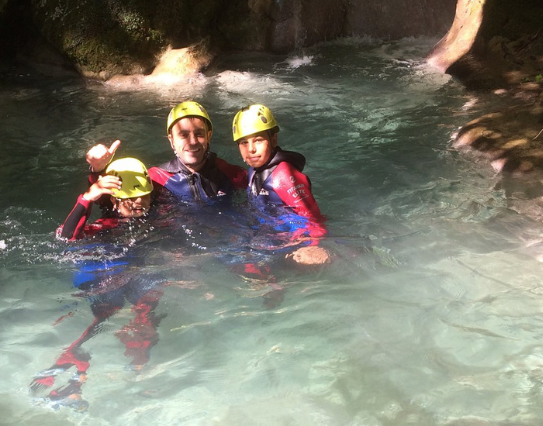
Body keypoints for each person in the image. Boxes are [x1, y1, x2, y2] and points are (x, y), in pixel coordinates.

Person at [32, 158, 167, 411]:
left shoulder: (154, 225)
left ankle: (138, 368)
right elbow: (66, 239)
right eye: (131, 197)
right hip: (100, 274)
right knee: (104, 314)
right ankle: (74, 368)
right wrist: (88, 198)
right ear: (114, 200)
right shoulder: (100, 227)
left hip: (134, 272)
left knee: (150, 301)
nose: (138, 202)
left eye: (143, 197)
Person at [86, 101, 247, 203]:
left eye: (199, 134)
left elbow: (263, 182)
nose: (192, 142)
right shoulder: (156, 178)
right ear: (171, 140)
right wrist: (98, 170)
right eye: (183, 135)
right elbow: (110, 203)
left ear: (209, 136)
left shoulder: (229, 173)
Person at [231, 103, 330, 266]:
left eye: (258, 140)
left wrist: (313, 245)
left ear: (273, 139)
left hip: (291, 237)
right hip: (268, 229)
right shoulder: (254, 170)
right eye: (244, 143)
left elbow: (312, 217)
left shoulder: (283, 175)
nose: (251, 149)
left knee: (251, 269)